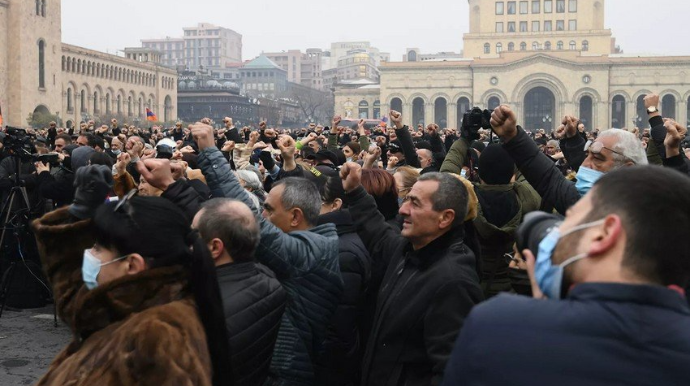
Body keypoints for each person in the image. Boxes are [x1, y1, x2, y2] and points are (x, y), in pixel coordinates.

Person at [441, 166, 690, 386]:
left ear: (603, 235)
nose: (557, 231)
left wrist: (538, 318)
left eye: (569, 218)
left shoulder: (496, 324)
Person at [31, 166, 232, 386]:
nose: (88, 255)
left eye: (97, 248)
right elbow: (76, 302)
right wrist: (78, 214)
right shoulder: (131, 301)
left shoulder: (158, 335)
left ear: (132, 264)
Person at [191, 123, 343, 386]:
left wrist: (210, 151)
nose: (263, 215)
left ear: (295, 217)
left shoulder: (311, 254)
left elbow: (244, 216)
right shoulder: (311, 242)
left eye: (269, 210)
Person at [341, 162, 483, 386]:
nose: (402, 209)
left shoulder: (453, 282)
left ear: (445, 218)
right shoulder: (409, 251)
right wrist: (355, 191)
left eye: (414, 203)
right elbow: (377, 233)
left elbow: (452, 371)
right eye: (406, 199)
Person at [193, 198, 287, 386]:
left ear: (215, 247)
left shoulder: (204, 310)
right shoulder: (270, 283)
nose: (187, 244)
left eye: (192, 236)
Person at [490, 105, 648, 214]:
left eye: (597, 158)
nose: (584, 165)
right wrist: (512, 136)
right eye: (588, 155)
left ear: (628, 170)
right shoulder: (587, 202)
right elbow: (548, 178)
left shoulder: (651, 224)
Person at [314, 176, 371, 386]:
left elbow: (338, 327)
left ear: (335, 205)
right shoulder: (335, 240)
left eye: (317, 202)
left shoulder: (341, 252)